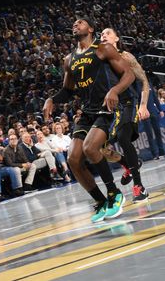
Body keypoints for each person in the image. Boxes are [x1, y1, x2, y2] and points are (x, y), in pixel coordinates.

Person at [43, 16, 136, 223]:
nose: (75, 24)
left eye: (80, 22)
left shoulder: (103, 49)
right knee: (73, 159)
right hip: (87, 110)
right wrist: (52, 99)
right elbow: (67, 91)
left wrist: (114, 90)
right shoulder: (69, 60)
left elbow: (128, 75)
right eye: (73, 23)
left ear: (91, 28)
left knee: (90, 148)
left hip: (107, 107)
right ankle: (101, 201)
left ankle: (114, 194)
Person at [99, 28, 150, 200]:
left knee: (123, 138)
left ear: (117, 38)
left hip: (128, 103)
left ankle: (139, 186)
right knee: (99, 146)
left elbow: (144, 81)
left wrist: (143, 105)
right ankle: (127, 164)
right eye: (101, 34)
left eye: (107, 33)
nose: (103, 35)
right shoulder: (99, 59)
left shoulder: (125, 56)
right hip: (111, 108)